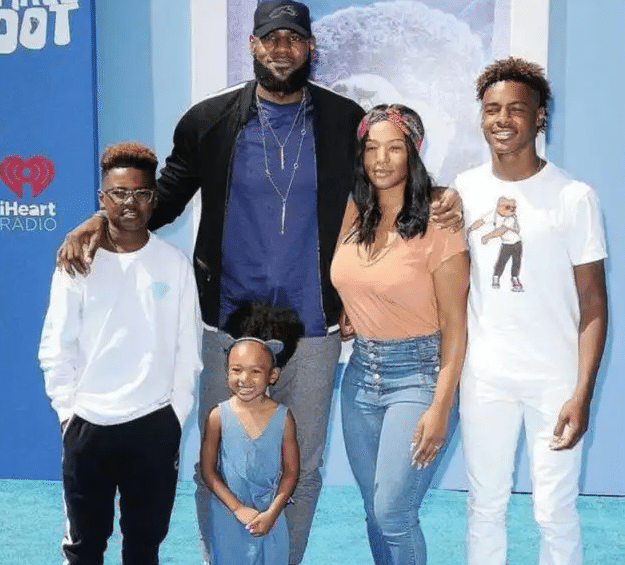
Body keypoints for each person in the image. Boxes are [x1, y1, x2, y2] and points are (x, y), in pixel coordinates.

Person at [55, 2, 461, 562]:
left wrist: (445, 194)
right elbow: (162, 201)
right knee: (218, 463)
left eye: (293, 38)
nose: (282, 49)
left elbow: (386, 179)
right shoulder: (209, 120)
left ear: (310, 47)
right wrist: (100, 220)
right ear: (252, 45)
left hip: (313, 330)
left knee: (303, 466)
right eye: (271, 38)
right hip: (230, 327)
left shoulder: (345, 120)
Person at [455, 57, 608, 565]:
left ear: (539, 116)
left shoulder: (574, 197)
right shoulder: (463, 190)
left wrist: (581, 393)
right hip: (484, 380)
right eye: (492, 109)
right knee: (485, 507)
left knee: (554, 512)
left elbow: (593, 303)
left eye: (516, 109)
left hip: (554, 382)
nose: (502, 119)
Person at [39, 142, 203, 565]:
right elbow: (56, 345)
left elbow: (188, 350)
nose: (131, 203)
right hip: (87, 425)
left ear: (154, 197)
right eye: (119, 193)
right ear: (103, 198)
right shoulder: (77, 262)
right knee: (84, 547)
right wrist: (68, 414)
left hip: (154, 424)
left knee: (144, 548)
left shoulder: (174, 264)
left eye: (141, 193)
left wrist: (175, 415)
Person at [330, 104, 469, 565]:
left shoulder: (438, 220)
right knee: (374, 511)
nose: (381, 159)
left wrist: (441, 407)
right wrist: (352, 307)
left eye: (394, 148)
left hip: (418, 376)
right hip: (359, 376)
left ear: (413, 152)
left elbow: (456, 325)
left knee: (393, 513)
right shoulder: (356, 209)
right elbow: (348, 273)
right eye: (372, 149)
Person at [201, 302, 303, 565]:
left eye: (255, 371)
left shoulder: (284, 418)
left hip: (271, 517)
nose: (244, 379)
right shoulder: (217, 416)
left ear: (273, 375)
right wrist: (237, 508)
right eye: (236, 370)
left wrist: (272, 513)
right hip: (228, 517)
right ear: (226, 371)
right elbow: (208, 471)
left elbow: (291, 472)